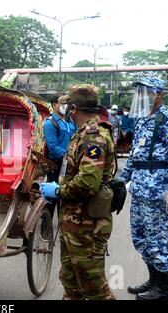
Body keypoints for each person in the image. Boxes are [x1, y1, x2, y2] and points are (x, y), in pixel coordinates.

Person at [41, 84, 116, 300]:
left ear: (73, 108)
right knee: (71, 282)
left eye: (67, 106)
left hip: (87, 226)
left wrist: (59, 191)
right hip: (74, 223)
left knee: (94, 287)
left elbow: (88, 183)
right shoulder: (81, 134)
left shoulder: (93, 137)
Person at [119, 77, 168, 300]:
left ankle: (163, 289)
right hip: (139, 189)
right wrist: (122, 178)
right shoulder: (141, 119)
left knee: (157, 240)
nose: (140, 96)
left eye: (145, 92)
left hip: (158, 191)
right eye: (139, 92)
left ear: (158, 94)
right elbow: (134, 155)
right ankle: (153, 281)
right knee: (140, 238)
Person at [43, 94, 76, 216]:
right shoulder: (50, 123)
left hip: (69, 164)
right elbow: (53, 147)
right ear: (54, 105)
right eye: (62, 103)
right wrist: (69, 156)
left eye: (66, 103)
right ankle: (46, 227)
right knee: (52, 197)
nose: (65, 106)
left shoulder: (69, 122)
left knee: (66, 195)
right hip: (56, 165)